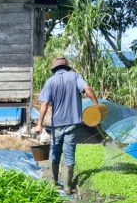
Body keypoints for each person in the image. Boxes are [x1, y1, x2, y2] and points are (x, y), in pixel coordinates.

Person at [33, 57, 98, 194]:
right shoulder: (75, 77)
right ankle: (68, 187)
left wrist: (39, 124)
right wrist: (96, 105)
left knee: (55, 153)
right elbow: (87, 89)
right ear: (66, 67)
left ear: (54, 69)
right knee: (69, 155)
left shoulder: (50, 81)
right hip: (73, 123)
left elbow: (44, 104)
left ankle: (54, 182)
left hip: (57, 124)